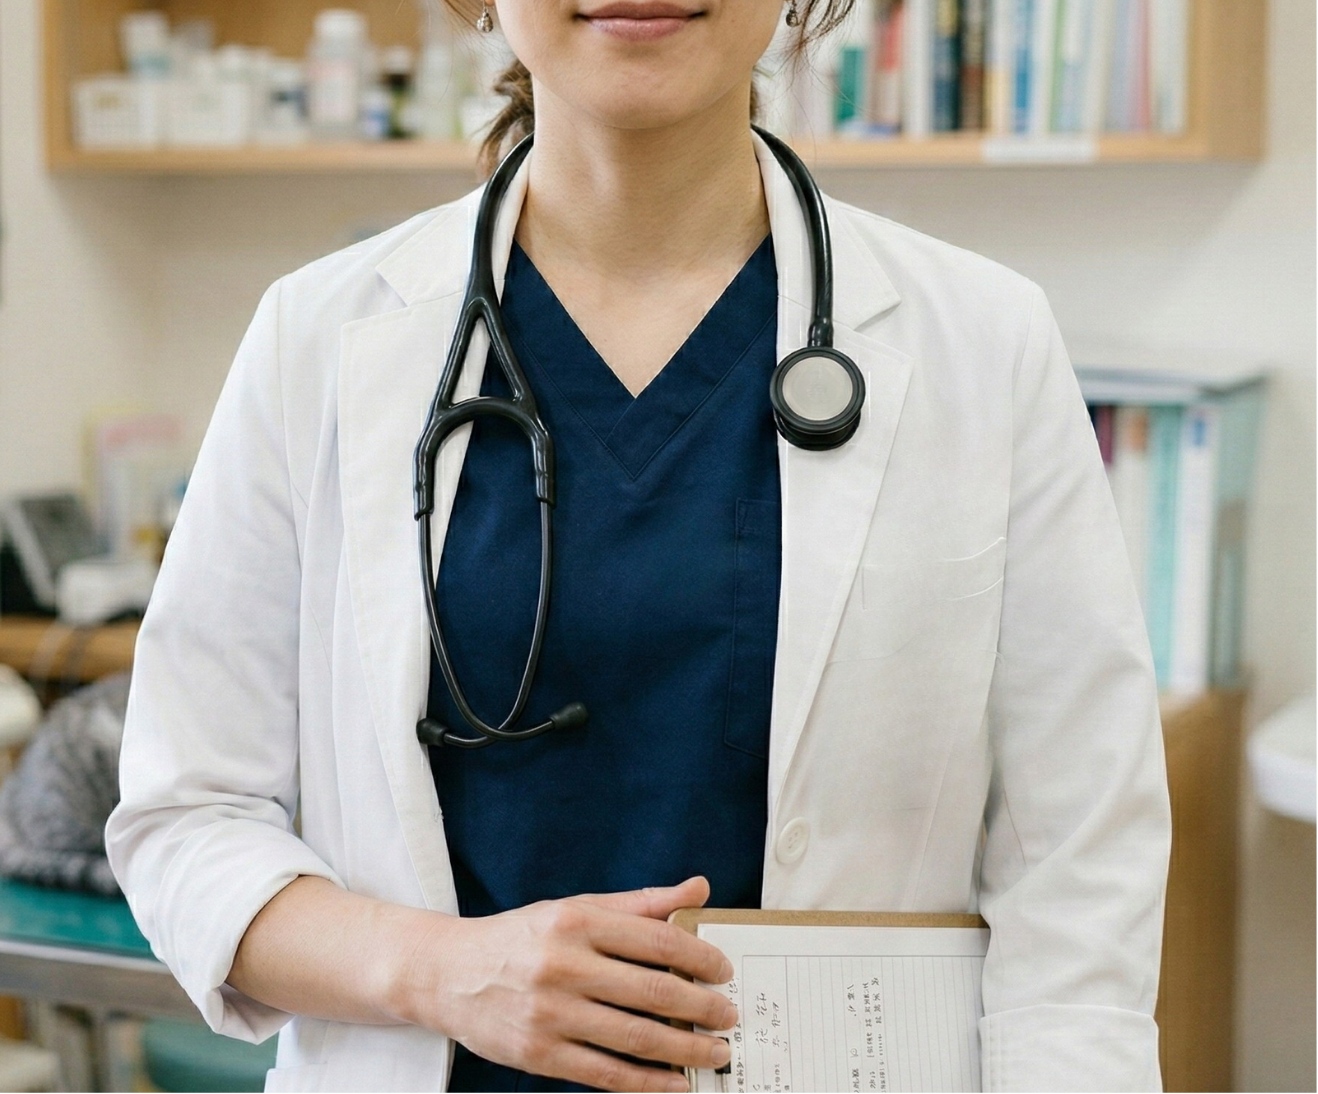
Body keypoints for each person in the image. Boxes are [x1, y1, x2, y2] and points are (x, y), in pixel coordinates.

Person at [105, 1, 1173, 1091]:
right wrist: (445, 971)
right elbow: (187, 821)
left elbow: (1078, 865)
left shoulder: (986, 345)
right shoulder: (316, 339)